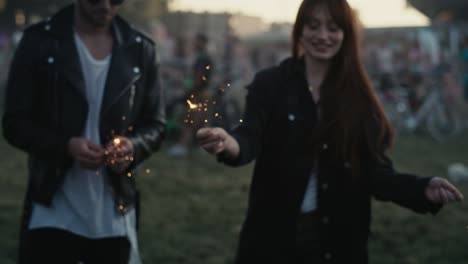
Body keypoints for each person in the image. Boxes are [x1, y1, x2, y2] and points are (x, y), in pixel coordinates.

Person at [196, 0, 464, 263]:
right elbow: (249, 137)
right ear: (300, 30)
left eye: (333, 27)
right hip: (273, 235)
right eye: (313, 26)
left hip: (338, 240)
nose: (322, 35)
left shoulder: (358, 97)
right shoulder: (271, 84)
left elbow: (375, 173)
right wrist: (230, 144)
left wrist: (421, 189)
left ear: (346, 34)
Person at [2, 0, 166, 263]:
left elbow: (156, 125)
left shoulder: (140, 49)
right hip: (52, 209)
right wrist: (65, 146)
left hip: (114, 215)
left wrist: (131, 147)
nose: (105, 5)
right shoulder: (40, 41)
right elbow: (15, 123)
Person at [168, 33, 213, 157]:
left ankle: (183, 146)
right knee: (201, 122)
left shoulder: (203, 59)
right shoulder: (205, 57)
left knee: (190, 121)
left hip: (199, 94)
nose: (194, 44)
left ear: (202, 42)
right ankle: (204, 147)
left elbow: (199, 78)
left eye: (196, 41)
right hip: (204, 93)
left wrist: (190, 93)